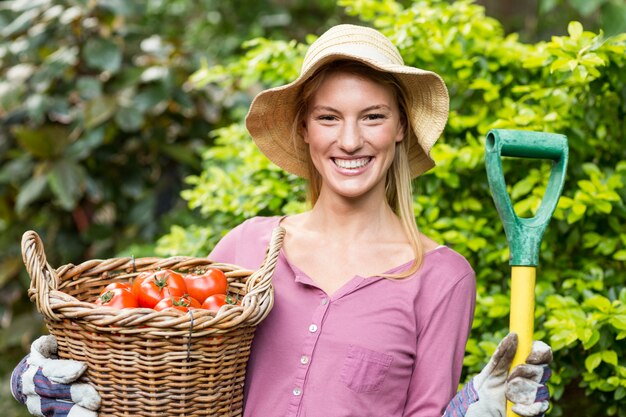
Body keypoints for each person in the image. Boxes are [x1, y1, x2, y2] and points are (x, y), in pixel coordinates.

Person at [11, 24, 552, 417]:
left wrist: (476, 409)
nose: (349, 140)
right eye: (328, 118)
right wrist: (47, 381)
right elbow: (170, 383)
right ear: (305, 130)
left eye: (373, 116)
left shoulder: (440, 278)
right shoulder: (247, 248)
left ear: (401, 129)